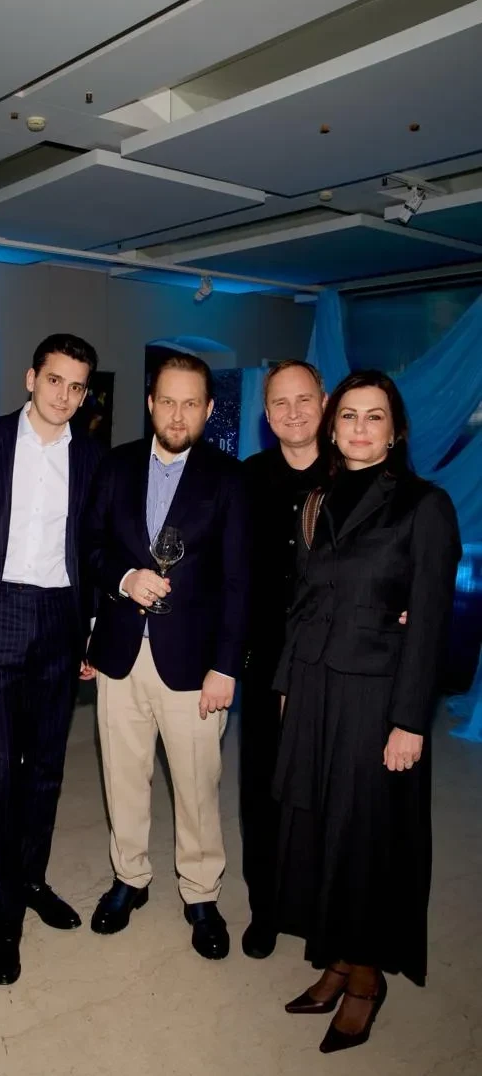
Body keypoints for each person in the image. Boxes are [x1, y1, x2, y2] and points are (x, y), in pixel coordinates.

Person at [274, 370, 461, 1053]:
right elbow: (303, 601)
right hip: (315, 686)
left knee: (366, 837)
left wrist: (409, 720)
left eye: (373, 416)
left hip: (377, 696)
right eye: (348, 415)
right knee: (322, 827)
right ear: (332, 426)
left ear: (395, 430)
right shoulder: (315, 498)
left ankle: (365, 979)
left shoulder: (423, 505)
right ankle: (336, 956)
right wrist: (287, 684)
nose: (358, 428)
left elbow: (430, 620)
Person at [85, 353, 250, 960]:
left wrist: (226, 666)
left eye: (191, 404)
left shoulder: (229, 479)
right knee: (123, 778)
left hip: (195, 666)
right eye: (168, 401)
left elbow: (239, 581)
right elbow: (90, 546)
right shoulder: (115, 465)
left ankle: (201, 893)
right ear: (150, 403)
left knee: (198, 786)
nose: (178, 415)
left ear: (208, 410)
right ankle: (130, 878)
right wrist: (124, 579)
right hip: (120, 655)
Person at [0, 333, 104, 986]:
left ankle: (31, 879)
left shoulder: (94, 458)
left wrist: (93, 629)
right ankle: (5, 916)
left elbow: (97, 548)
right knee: (0, 770)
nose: (64, 396)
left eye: (76, 386)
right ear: (31, 378)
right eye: (55, 380)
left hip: (60, 618)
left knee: (46, 766)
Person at [239, 360, 326, 960]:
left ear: (323, 401)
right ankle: (265, 908)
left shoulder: (353, 477)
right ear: (266, 415)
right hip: (264, 659)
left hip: (332, 663)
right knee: (262, 790)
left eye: (304, 400)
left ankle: (322, 909)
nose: (293, 413)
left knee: (325, 791)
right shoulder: (248, 479)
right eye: (280, 403)